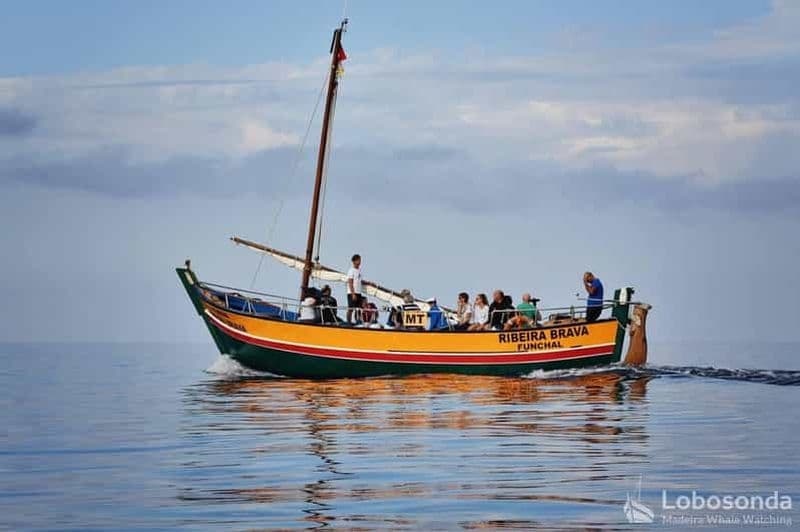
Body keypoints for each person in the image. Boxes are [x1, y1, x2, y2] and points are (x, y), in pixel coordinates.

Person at [346, 254, 363, 323]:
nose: (360, 262)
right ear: (354, 261)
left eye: (360, 260)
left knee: (358, 308)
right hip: (352, 292)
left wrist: (368, 283)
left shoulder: (359, 270)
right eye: (358, 260)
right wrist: (353, 294)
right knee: (351, 308)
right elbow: (350, 282)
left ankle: (357, 321)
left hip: (359, 292)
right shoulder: (351, 270)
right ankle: (348, 322)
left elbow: (359, 280)